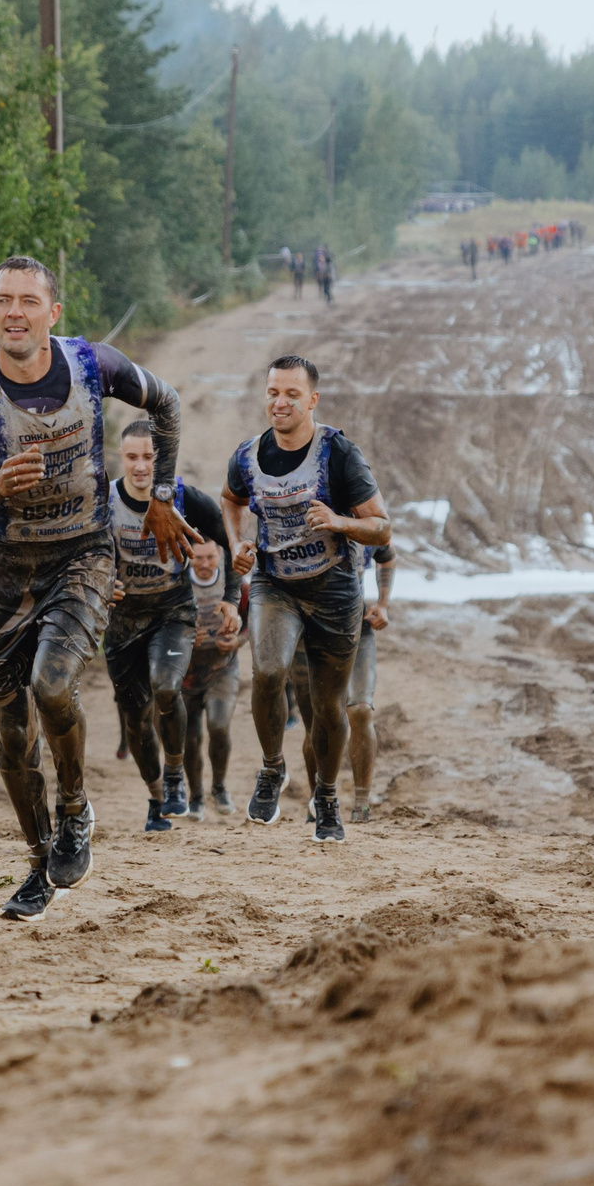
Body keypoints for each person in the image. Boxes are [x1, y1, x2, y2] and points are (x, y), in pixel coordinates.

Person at [0, 256, 189, 921]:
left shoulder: (93, 365)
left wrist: (160, 495)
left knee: (52, 683)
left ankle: (75, 807)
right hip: (3, 575)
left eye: (28, 299)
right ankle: (39, 864)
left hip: (82, 555)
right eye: (2, 300)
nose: (15, 310)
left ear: (54, 311)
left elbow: (166, 401)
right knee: (12, 736)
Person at [223, 354, 390, 843]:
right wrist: (237, 546)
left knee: (329, 706)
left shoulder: (339, 453)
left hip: (336, 588)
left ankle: (329, 798)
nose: (280, 402)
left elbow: (381, 528)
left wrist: (340, 522)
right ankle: (273, 768)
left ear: (312, 400)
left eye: (292, 394)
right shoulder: (248, 455)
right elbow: (230, 500)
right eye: (273, 392)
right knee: (268, 673)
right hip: (276, 585)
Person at [103, 417, 233, 832]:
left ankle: (175, 774)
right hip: (122, 622)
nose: (141, 466)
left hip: (172, 614)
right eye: (132, 457)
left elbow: (232, 545)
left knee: (165, 686)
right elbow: (81, 554)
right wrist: (101, 583)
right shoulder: (103, 502)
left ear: (163, 460)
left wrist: (231, 600)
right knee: (136, 719)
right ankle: (157, 796)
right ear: (120, 458)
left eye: (150, 457)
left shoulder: (188, 500)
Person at [296, 539, 393, 821]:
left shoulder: (364, 516)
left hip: (356, 627)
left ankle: (362, 804)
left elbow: (387, 554)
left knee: (361, 710)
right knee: (316, 722)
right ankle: (320, 802)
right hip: (308, 631)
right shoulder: (305, 515)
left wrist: (383, 603)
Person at [177, 537, 245, 818]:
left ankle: (219, 787)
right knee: (190, 736)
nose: (205, 564)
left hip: (222, 667)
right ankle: (195, 797)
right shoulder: (177, 584)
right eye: (198, 558)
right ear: (189, 556)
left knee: (218, 726)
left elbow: (256, 617)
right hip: (187, 672)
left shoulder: (233, 582)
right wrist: (184, 639)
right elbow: (160, 625)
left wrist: (238, 641)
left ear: (219, 556)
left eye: (210, 558)